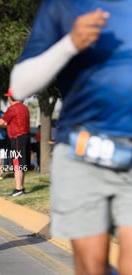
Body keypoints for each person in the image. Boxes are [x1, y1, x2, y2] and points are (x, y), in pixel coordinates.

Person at [9, 2, 132, 274]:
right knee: (92, 266)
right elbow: (20, 86)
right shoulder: (63, 5)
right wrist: (70, 44)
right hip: (83, 150)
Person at [0, 91, 30, 196]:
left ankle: (18, 189)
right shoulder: (24, 108)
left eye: (8, 97)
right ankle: (21, 188)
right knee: (21, 163)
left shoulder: (13, 108)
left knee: (17, 163)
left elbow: (2, 122)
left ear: (10, 98)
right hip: (25, 137)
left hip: (17, 138)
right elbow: (7, 124)